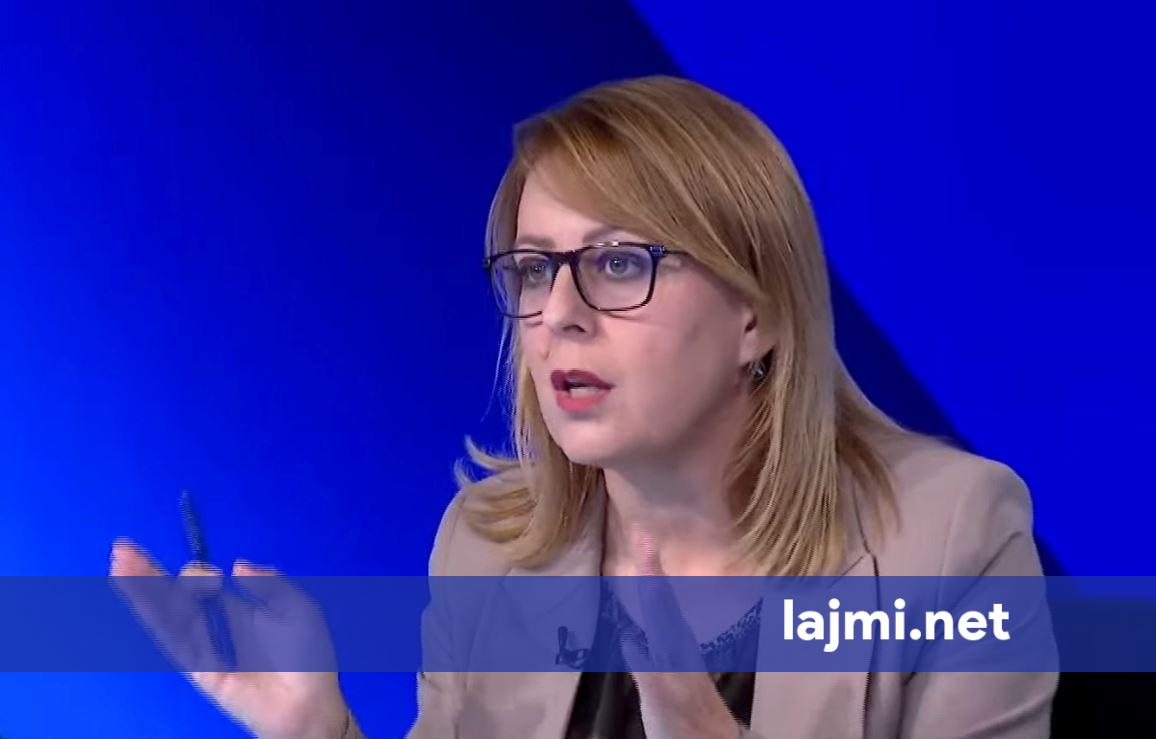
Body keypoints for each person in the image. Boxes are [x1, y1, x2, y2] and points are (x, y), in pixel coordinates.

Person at [110, 75, 1057, 738]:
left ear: (758, 314)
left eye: (617, 262)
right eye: (533, 269)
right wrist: (317, 730)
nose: (559, 312)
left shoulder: (952, 540)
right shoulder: (488, 547)